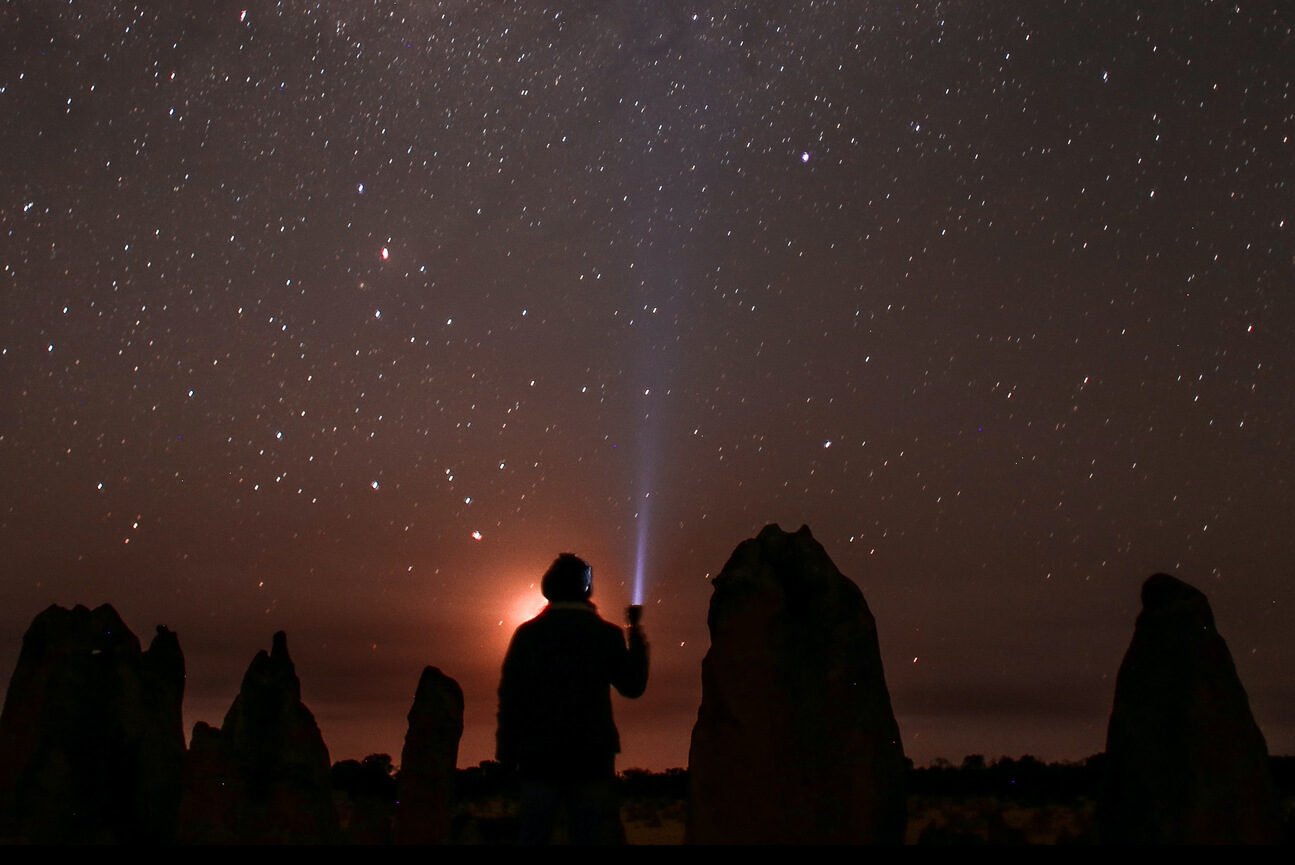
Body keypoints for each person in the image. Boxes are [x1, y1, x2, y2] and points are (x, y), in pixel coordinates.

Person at [496, 553, 649, 844]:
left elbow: (511, 698)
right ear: (586, 588)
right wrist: (636, 635)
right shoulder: (606, 635)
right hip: (591, 755)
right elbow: (633, 686)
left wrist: (506, 753)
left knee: (535, 834)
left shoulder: (528, 635)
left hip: (538, 755)